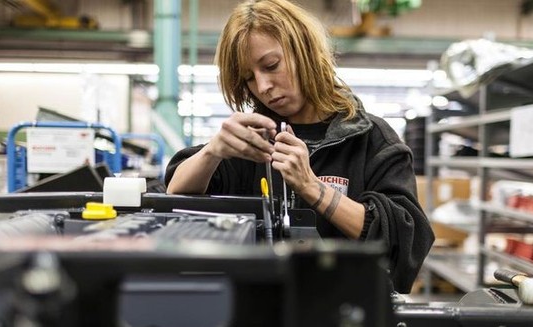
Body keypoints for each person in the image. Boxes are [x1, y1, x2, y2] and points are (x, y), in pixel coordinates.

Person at [165, 0, 434, 293]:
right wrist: (212, 151)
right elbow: (174, 194)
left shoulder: (372, 140)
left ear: (305, 51)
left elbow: (405, 245)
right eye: (249, 78)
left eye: (271, 65)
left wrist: (311, 187)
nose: (263, 86)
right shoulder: (252, 139)